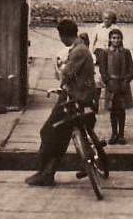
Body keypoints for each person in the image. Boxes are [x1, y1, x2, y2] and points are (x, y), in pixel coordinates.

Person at [26, 19, 96, 187]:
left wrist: (59, 68)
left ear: (63, 36)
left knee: (48, 132)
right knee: (61, 135)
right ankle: (48, 172)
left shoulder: (78, 51)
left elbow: (65, 74)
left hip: (73, 98)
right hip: (80, 96)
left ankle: (45, 173)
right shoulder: (81, 48)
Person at [99, 28, 133, 145]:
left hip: (123, 84)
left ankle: (121, 134)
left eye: (118, 38)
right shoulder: (105, 52)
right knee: (113, 110)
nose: (116, 40)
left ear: (121, 39)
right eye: (114, 38)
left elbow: (131, 69)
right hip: (111, 84)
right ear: (110, 39)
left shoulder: (126, 52)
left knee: (121, 110)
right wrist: (107, 81)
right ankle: (114, 133)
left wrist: (126, 80)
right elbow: (102, 70)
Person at [90, 11, 117, 111]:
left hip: (110, 54)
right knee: (98, 79)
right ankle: (95, 102)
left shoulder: (115, 29)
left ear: (112, 19)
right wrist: (92, 55)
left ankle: (109, 103)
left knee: (110, 78)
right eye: (104, 18)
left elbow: (119, 43)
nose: (106, 20)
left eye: (108, 18)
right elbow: (92, 42)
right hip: (98, 54)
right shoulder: (97, 28)